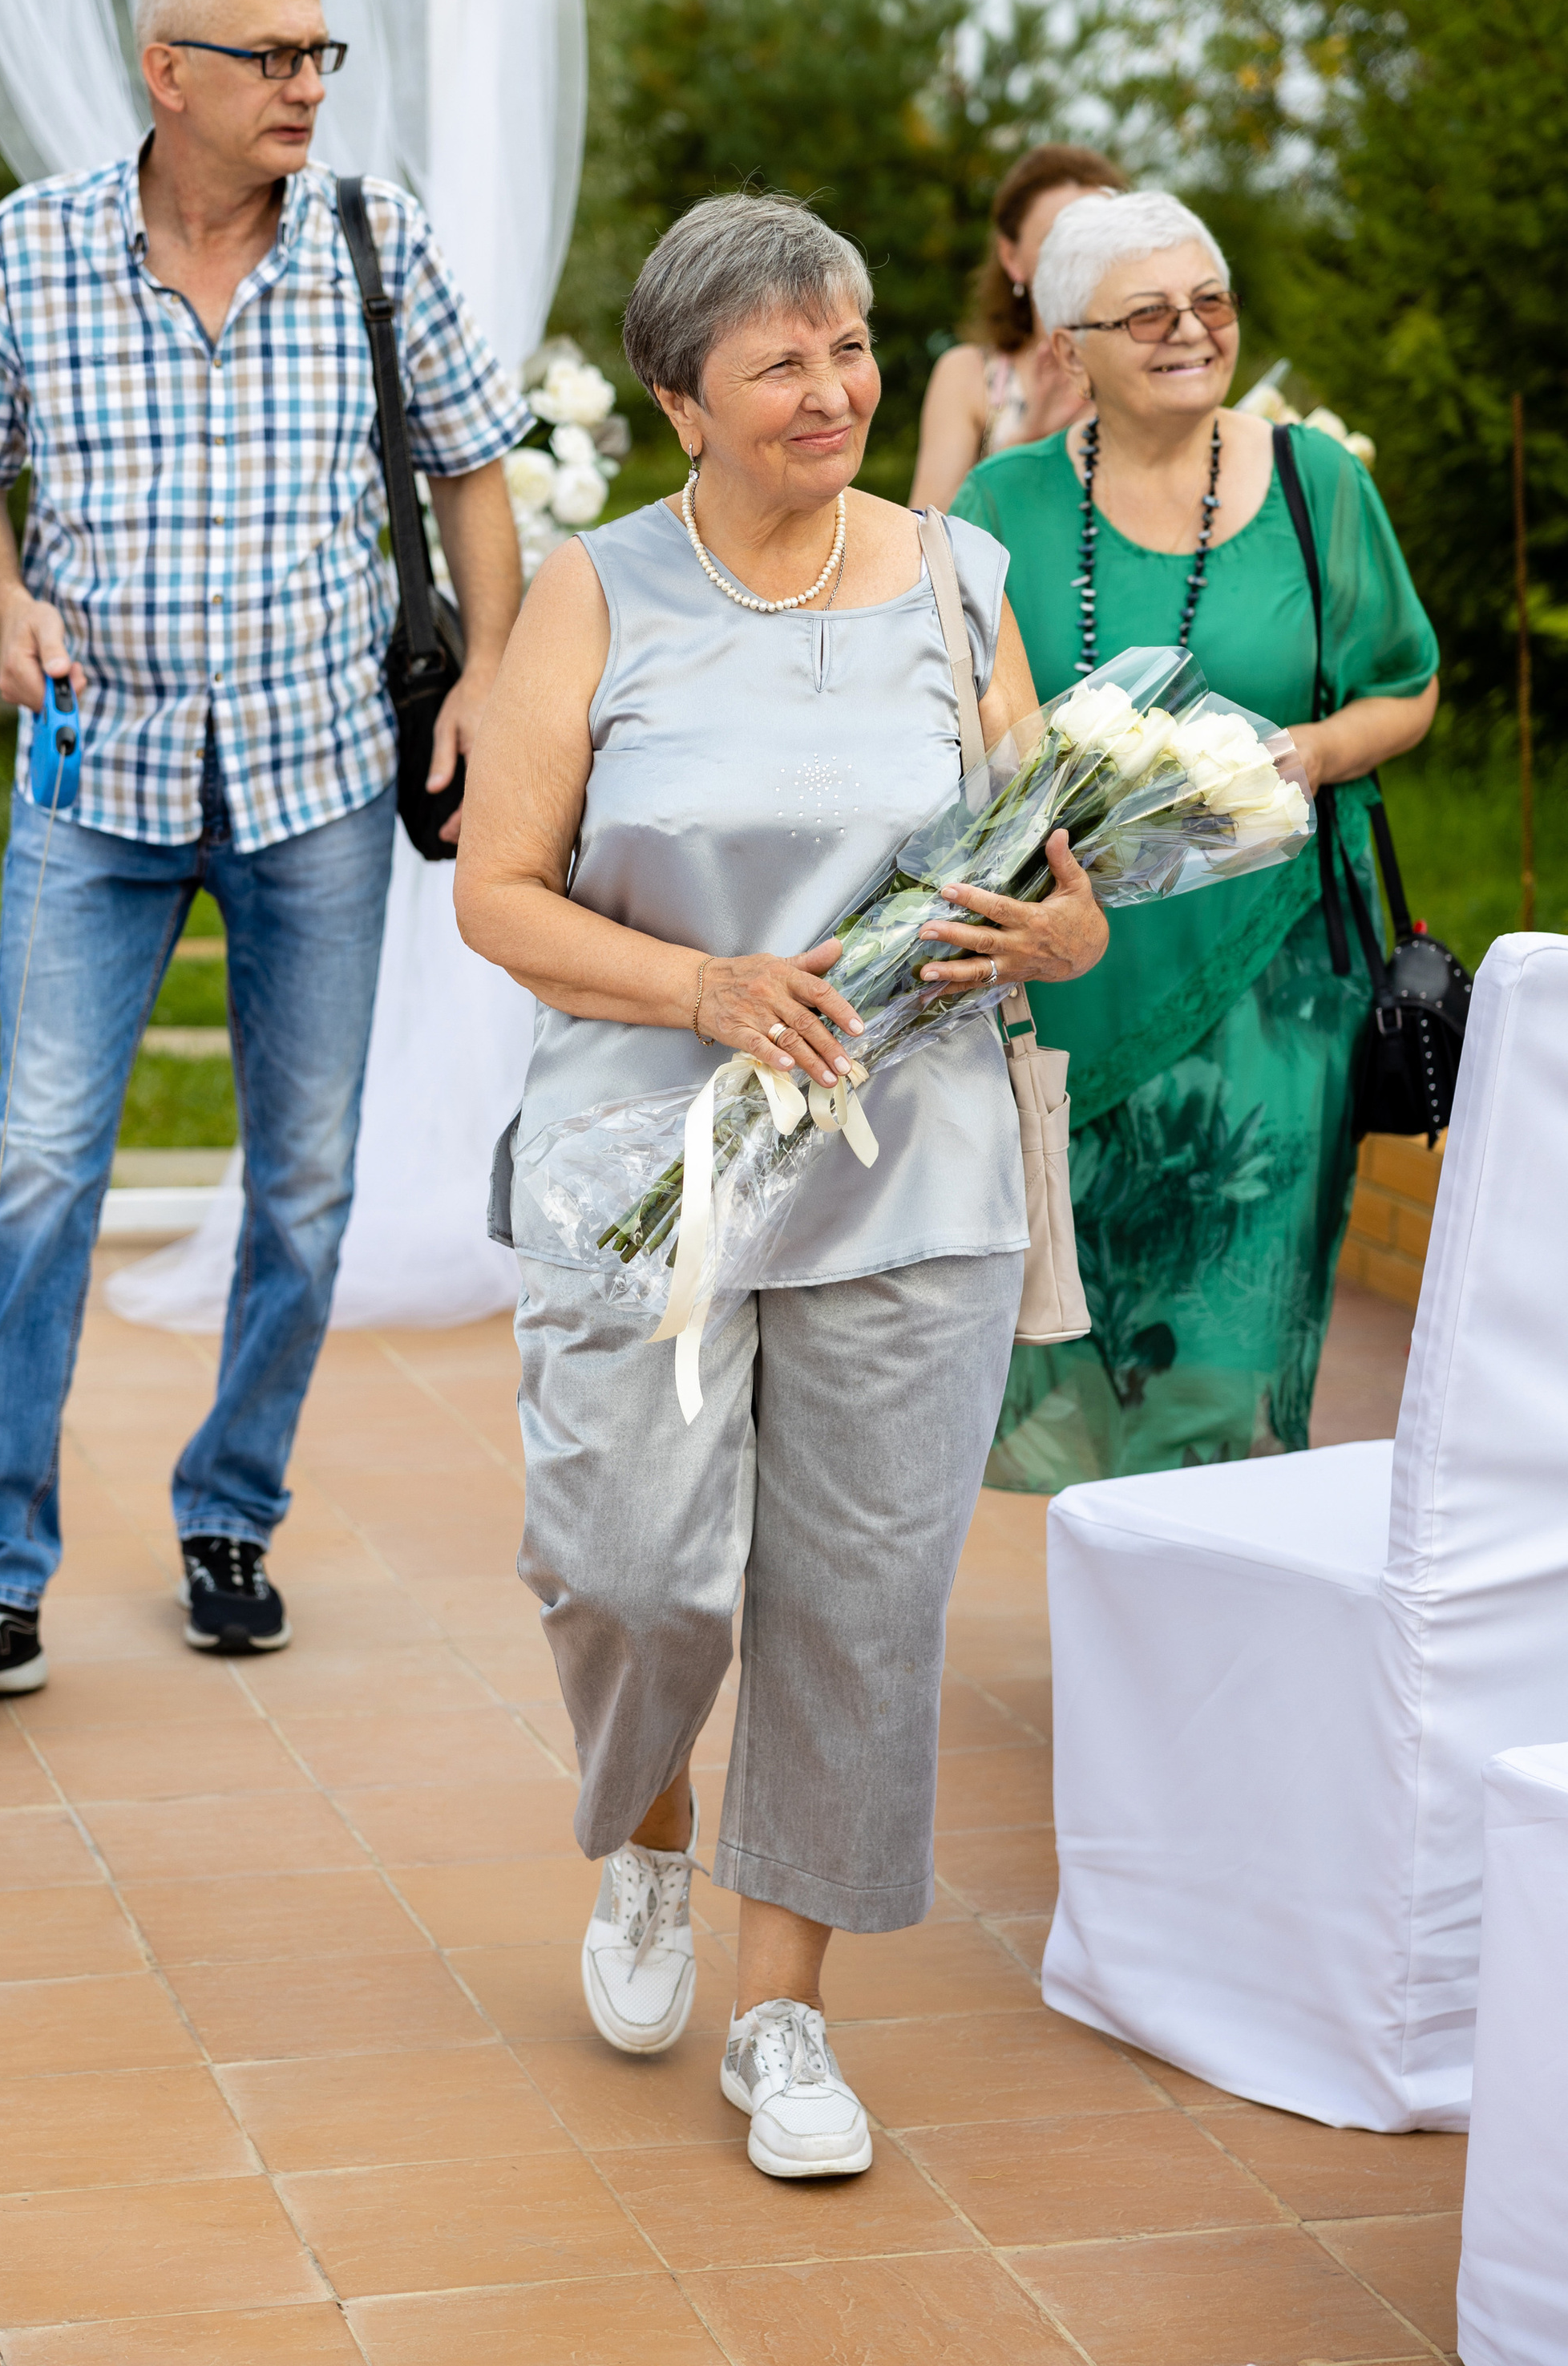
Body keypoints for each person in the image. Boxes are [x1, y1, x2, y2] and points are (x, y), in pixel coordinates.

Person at [455, 193, 1107, 2178]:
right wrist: (704, 988)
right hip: (644, 1154)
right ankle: (648, 1828)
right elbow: (496, 892)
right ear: (680, 403)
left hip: (909, 1168)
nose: (833, 390)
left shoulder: (952, 579)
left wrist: (1045, 939)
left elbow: (1061, 895)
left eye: (849, 348)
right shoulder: (593, 588)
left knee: (857, 1601)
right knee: (630, 1566)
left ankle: (782, 2011)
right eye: (781, 364)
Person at [0, 0, 530, 1702]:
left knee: (303, 1189)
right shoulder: (33, 245)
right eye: (276, 59)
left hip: (317, 779)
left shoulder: (375, 242)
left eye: (323, 56)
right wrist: (1, 601)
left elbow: (474, 469)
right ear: (172, 74)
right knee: (37, 1171)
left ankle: (230, 1513)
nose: (311, 86)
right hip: (99, 781)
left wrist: (485, 670)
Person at [952, 188, 1439, 1489]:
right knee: (1090, 1339)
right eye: (1149, 311)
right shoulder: (998, 504)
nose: (1190, 331)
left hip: (1274, 979)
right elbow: (957, 725)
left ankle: (1201, 1650)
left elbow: (1408, 681)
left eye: (1210, 302)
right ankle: (1138, 1623)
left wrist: (1314, 751)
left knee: (1230, 1337)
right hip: (1074, 973)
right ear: (1069, 348)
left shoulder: (1315, 483)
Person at [909, 144, 1126, 512]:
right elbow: (923, 540)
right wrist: (1029, 443)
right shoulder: (969, 375)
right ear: (1012, 258)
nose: (1083, 253)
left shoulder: (1151, 365)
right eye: (1060, 237)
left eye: (1101, 235)